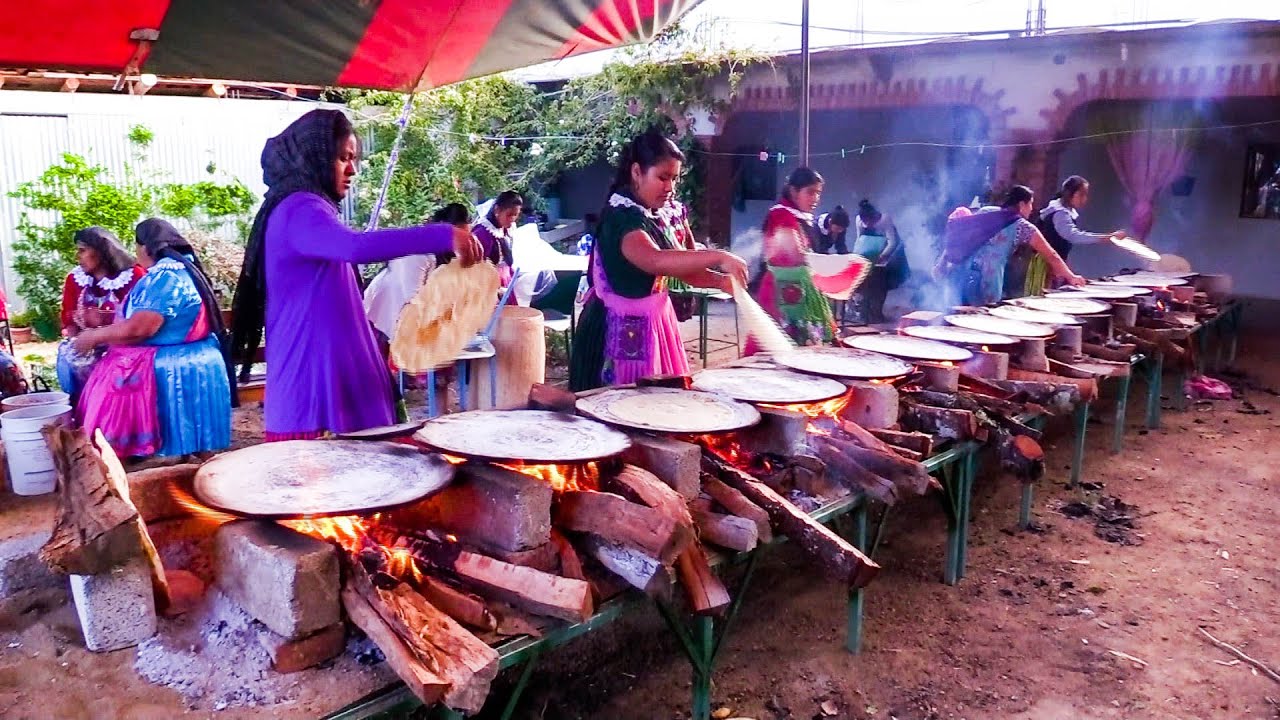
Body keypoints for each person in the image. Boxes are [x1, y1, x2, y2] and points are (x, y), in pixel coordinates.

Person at [229, 109, 482, 441]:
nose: (353, 170)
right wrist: (443, 236)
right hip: (315, 395)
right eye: (342, 158)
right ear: (316, 157)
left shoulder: (307, 208)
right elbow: (354, 248)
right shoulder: (299, 209)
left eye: (354, 159)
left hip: (327, 384)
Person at [569, 130, 747, 391]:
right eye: (662, 177)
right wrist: (720, 256)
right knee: (623, 408)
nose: (670, 188)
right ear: (637, 172)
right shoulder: (621, 217)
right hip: (620, 328)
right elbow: (656, 261)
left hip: (655, 322)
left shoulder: (663, 213)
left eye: (674, 179)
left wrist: (722, 283)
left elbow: (685, 267)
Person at [75, 219, 235, 458]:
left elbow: (142, 328)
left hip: (173, 361)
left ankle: (119, 453)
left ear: (146, 247)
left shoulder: (166, 277)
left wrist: (94, 336)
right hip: (195, 355)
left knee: (114, 372)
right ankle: (192, 457)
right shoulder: (182, 269)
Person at [936, 186, 1086, 307]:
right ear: (1021, 204)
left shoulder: (986, 212)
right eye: (1030, 203)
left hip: (966, 275)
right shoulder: (1022, 227)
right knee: (983, 323)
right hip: (989, 282)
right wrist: (1071, 277)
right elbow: (1051, 255)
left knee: (961, 320)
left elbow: (961, 238)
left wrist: (942, 265)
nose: (1031, 208)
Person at [749, 167, 836, 352]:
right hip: (782, 289)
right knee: (778, 346)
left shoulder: (800, 217)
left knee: (802, 346)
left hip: (799, 287)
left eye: (818, 193)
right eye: (810, 192)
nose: (815, 198)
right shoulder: (781, 214)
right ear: (794, 191)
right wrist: (831, 264)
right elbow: (795, 254)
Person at [55, 227, 147, 399]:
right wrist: (77, 347)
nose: (78, 257)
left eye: (82, 251)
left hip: (126, 350)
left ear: (101, 251)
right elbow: (70, 323)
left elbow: (141, 324)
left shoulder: (134, 276)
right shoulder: (75, 280)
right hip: (87, 350)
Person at [364, 203, 472, 342]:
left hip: (408, 321)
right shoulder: (418, 254)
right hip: (385, 322)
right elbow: (413, 299)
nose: (463, 244)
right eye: (460, 237)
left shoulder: (444, 255)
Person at [1036, 176, 1127, 260]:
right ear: (1070, 193)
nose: (1085, 199)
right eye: (1082, 195)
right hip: (1047, 263)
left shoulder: (1064, 211)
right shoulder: (1060, 214)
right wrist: (1108, 237)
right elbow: (1074, 236)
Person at [851, 199, 904, 324]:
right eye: (865, 222)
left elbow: (893, 242)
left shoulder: (884, 220)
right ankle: (864, 313)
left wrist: (882, 255)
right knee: (864, 284)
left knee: (880, 286)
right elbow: (860, 239)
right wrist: (857, 254)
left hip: (885, 256)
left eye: (869, 221)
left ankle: (876, 313)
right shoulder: (859, 220)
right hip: (867, 258)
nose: (868, 224)